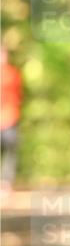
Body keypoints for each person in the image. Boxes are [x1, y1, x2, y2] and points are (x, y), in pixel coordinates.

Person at [0, 46, 23, 194]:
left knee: (10, 151)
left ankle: (6, 182)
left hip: (10, 118)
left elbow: (18, 96)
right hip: (7, 117)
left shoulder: (13, 74)